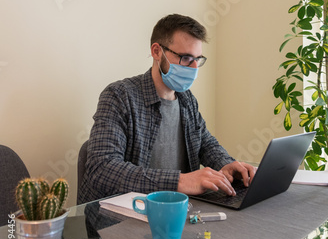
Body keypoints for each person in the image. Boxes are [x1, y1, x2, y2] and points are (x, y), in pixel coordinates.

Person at [78, 13, 256, 204]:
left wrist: (227, 164)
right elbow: (102, 169)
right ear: (157, 52)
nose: (194, 67)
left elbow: (206, 143)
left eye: (198, 59)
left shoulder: (187, 99)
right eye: (186, 58)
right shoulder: (119, 96)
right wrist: (179, 181)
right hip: (123, 218)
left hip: (176, 211)